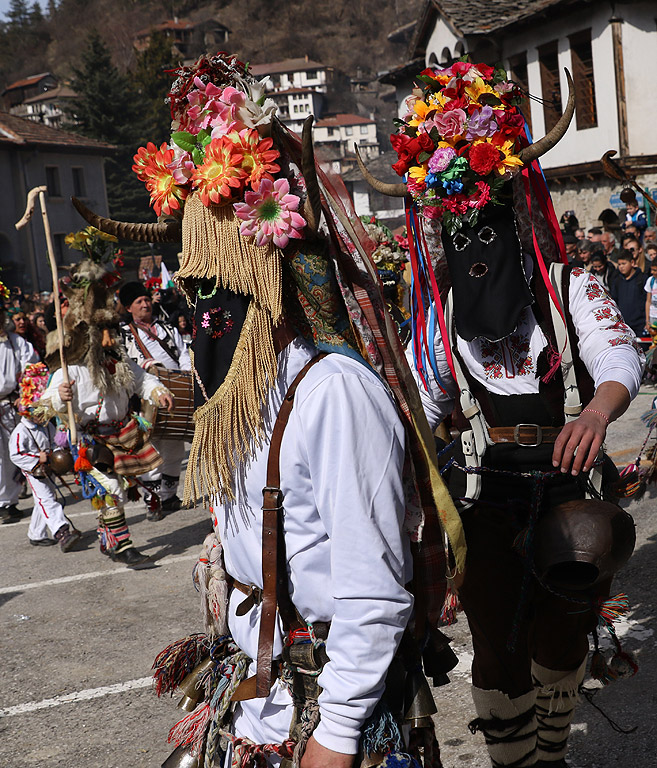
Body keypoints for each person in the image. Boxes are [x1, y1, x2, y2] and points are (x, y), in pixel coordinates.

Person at [76, 52, 460, 768]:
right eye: (186, 294)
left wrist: (336, 735)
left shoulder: (332, 393)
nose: (198, 315)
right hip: (253, 696)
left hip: (324, 710)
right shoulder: (237, 400)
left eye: (211, 288)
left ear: (257, 274)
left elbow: (375, 592)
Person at [368, 59, 644, 768]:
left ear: (515, 221)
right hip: (486, 498)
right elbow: (419, 409)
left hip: (564, 492)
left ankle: (549, 752)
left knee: (561, 636)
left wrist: (594, 418)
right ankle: (512, 762)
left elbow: (619, 360)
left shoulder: (565, 283)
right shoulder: (440, 315)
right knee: (494, 644)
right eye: (461, 238)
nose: (477, 253)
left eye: (489, 227)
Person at [40, 250, 174, 567]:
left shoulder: (118, 361)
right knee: (111, 488)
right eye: (102, 332)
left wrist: (158, 390)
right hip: (90, 440)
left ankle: (108, 540)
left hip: (122, 434)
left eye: (110, 332)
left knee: (119, 488)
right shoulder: (68, 368)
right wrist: (60, 395)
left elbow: (141, 379)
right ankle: (123, 546)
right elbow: (45, 404)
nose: (108, 338)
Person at [119, 281, 191, 517]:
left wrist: (185, 374)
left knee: (174, 448)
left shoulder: (166, 329)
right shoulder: (124, 334)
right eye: (139, 301)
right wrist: (149, 368)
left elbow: (183, 354)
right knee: (151, 448)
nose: (145, 304)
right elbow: (126, 365)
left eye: (147, 300)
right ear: (129, 307)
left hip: (174, 393)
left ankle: (169, 497)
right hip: (144, 398)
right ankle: (152, 500)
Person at [9, 362, 81, 550]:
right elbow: (15, 454)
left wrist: (59, 453)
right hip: (33, 471)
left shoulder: (47, 426)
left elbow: (55, 442)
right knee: (48, 499)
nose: (42, 416)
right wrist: (36, 458)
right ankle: (61, 531)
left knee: (44, 499)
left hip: (47, 468)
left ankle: (36, 533)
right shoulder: (21, 431)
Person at [0, 290, 38, 523]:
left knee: (22, 451)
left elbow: (32, 369)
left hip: (13, 405)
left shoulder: (16, 343)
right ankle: (4, 502)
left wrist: (24, 393)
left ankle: (13, 499)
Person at [610, 250, 647, 336]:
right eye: (619, 264)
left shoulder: (642, 279)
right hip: (623, 326)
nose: (621, 267)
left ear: (632, 262)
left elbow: (647, 301)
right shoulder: (617, 281)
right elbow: (614, 301)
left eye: (624, 263)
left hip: (640, 325)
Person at [645, 260, 657, 332]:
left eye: (655, 270)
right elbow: (648, 301)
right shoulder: (650, 280)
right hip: (653, 316)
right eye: (651, 269)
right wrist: (647, 320)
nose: (652, 272)